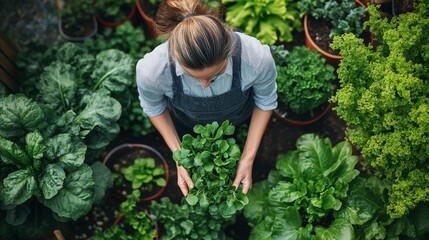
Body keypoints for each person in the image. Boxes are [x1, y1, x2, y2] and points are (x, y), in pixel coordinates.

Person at [136, 0, 277, 197]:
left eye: (216, 74)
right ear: (176, 59)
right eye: (193, 76)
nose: (205, 84)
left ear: (229, 52)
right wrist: (180, 156)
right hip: (186, 123)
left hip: (239, 117)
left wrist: (248, 157)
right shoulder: (152, 71)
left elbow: (265, 100)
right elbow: (154, 107)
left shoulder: (256, 58)